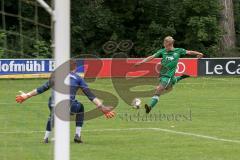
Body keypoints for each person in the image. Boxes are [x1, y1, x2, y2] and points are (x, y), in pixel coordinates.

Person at [16, 60, 115, 143]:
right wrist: (102, 107)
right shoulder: (78, 78)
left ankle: (45, 138)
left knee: (53, 113)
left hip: (53, 103)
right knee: (80, 107)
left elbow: (41, 89)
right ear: (74, 68)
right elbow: (90, 95)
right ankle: (77, 135)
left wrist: (26, 95)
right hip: (68, 105)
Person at [135, 36, 203, 113]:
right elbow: (152, 57)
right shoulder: (162, 51)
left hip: (168, 76)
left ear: (169, 44)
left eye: (165, 44)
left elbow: (189, 52)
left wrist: (199, 53)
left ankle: (149, 107)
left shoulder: (178, 51)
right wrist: (141, 62)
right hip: (162, 75)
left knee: (159, 90)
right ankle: (180, 77)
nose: (164, 45)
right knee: (168, 87)